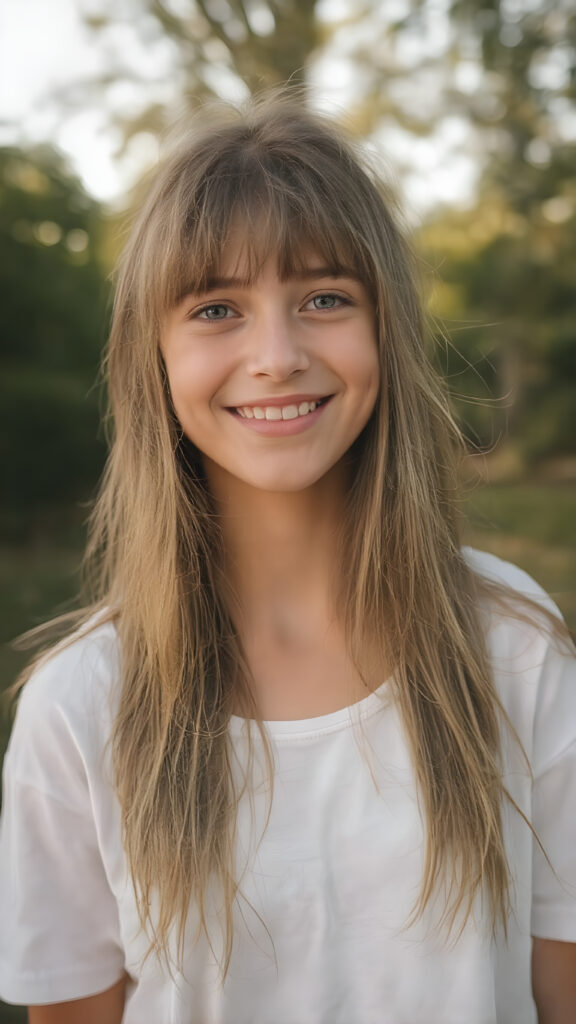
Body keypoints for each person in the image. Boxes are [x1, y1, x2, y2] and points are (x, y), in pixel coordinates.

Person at [0, 93, 575, 1024]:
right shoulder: (79, 708)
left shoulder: (511, 642)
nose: (276, 355)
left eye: (323, 299)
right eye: (217, 308)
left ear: (385, 328)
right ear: (152, 358)